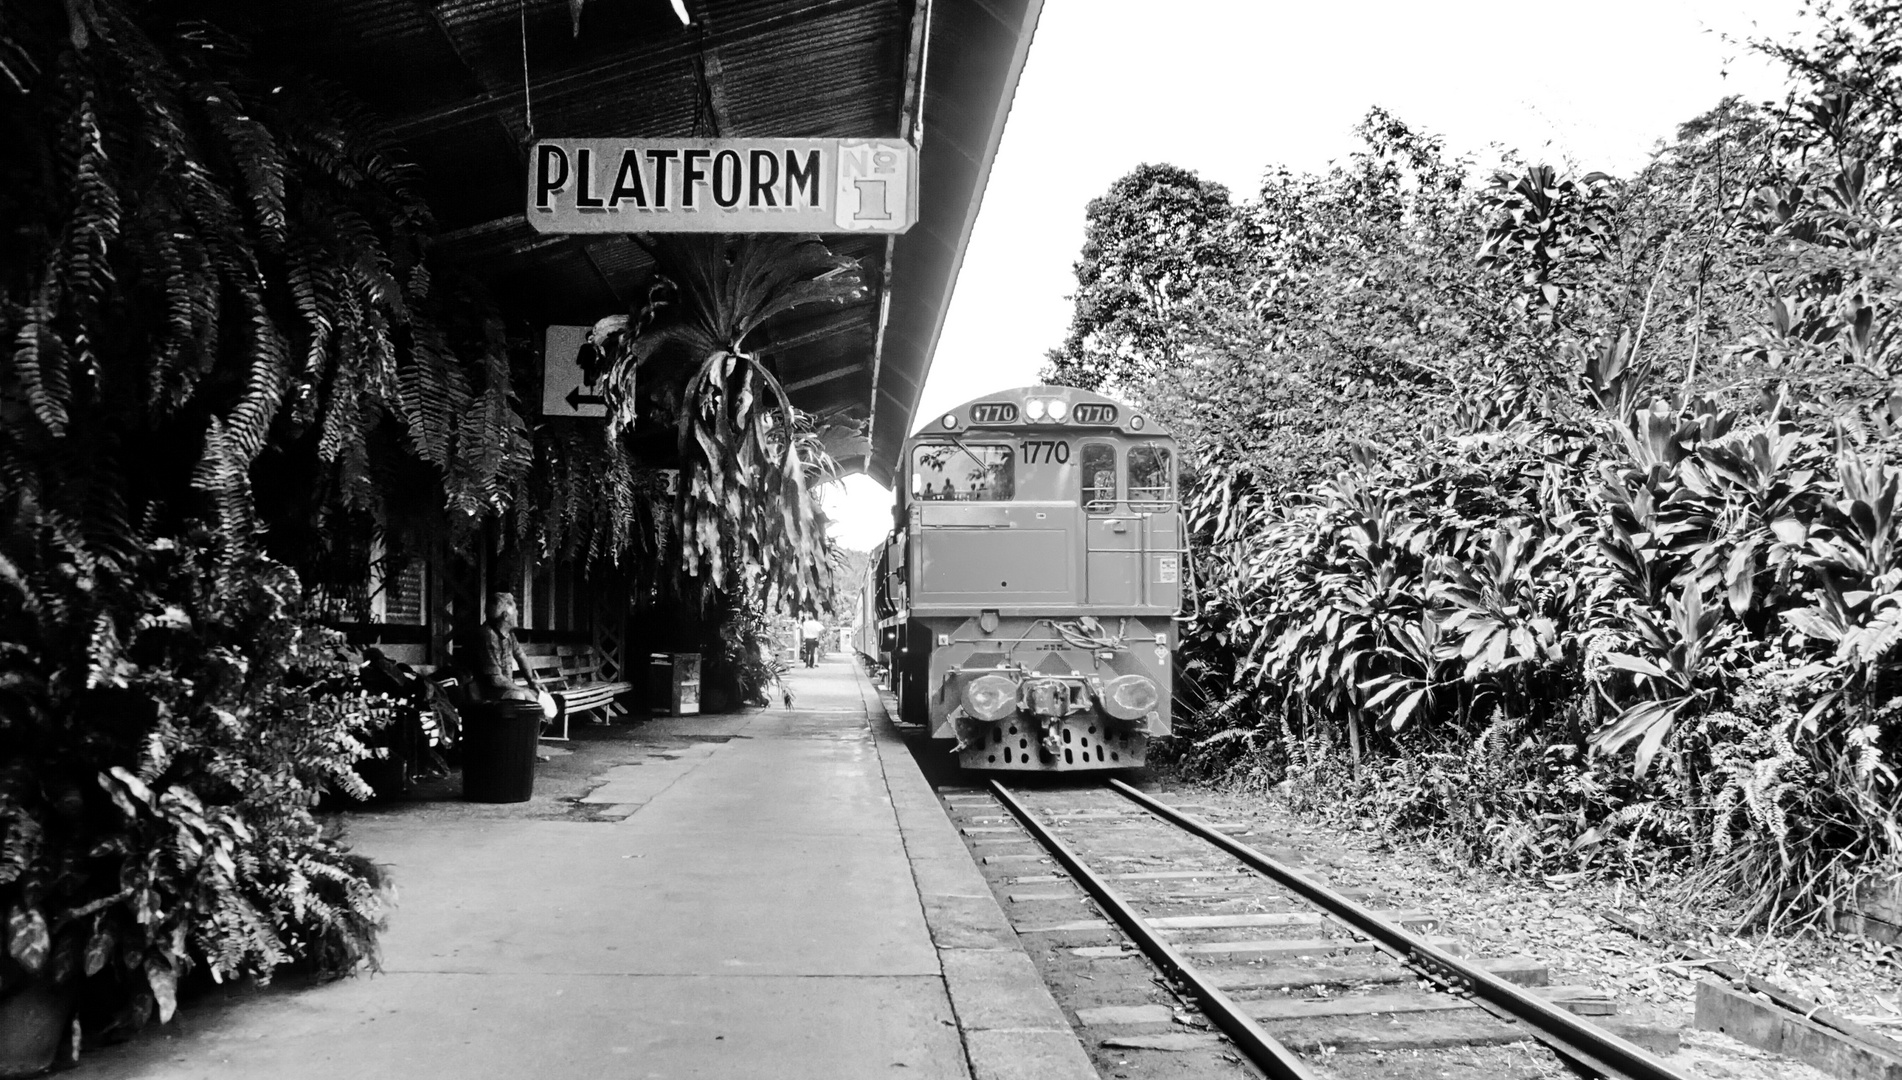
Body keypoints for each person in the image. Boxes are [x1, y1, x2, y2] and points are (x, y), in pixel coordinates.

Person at [465, 592, 545, 703]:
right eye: (515, 610)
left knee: (536, 695)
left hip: (502, 690)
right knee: (519, 696)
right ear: (506, 616)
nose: (517, 613)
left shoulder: (509, 634)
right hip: (486, 694)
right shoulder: (487, 636)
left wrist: (531, 681)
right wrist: (524, 690)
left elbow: (521, 656)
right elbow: (495, 679)